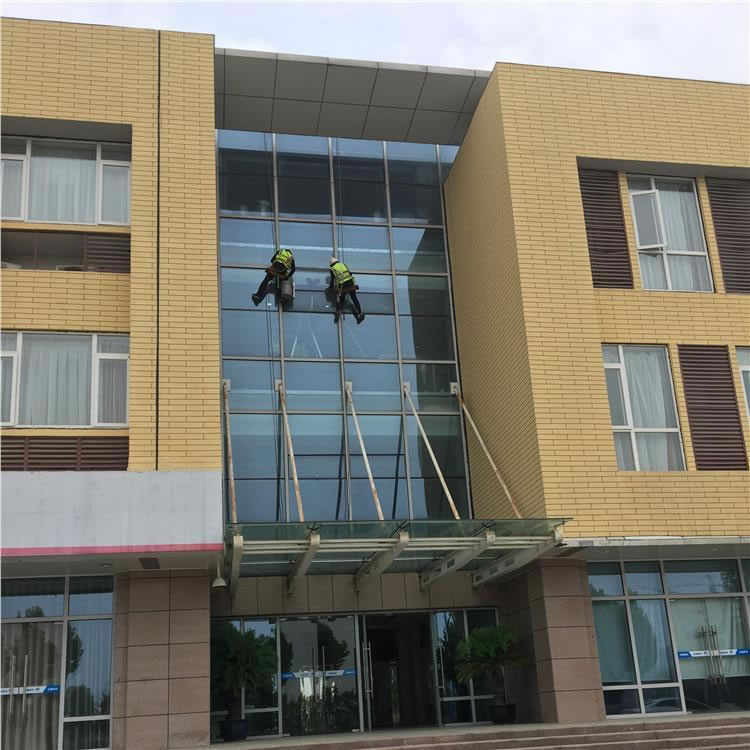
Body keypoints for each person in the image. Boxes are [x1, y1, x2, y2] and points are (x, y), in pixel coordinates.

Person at [328, 256, 365, 324]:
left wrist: (330, 288)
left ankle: (338, 312)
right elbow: (350, 273)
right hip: (350, 283)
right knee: (354, 298)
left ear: (331, 264)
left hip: (342, 285)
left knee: (341, 299)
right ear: (337, 261)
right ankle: (360, 313)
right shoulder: (343, 265)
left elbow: (332, 281)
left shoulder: (332, 269)